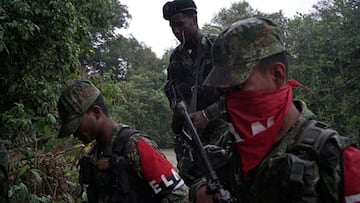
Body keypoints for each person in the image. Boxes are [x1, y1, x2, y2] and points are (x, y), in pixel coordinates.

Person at [194, 17, 343, 203]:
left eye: (238, 87)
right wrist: (200, 192)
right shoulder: (232, 141)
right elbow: (207, 180)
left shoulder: (334, 157)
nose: (230, 101)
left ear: (277, 75)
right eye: (225, 92)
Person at [57, 80, 188, 203]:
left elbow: (179, 195)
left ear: (96, 112)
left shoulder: (136, 145)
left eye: (77, 125)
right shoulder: (95, 154)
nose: (75, 133)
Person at [162, 0, 228, 188]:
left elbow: (239, 94)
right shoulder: (176, 58)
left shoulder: (218, 48)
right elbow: (172, 91)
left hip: (221, 140)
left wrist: (208, 114)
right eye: (172, 26)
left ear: (194, 19)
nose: (176, 30)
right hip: (189, 142)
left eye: (180, 24)